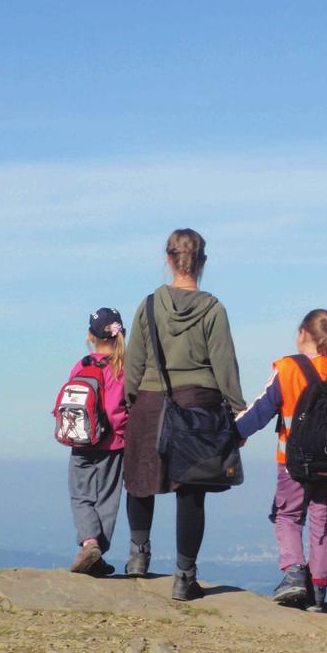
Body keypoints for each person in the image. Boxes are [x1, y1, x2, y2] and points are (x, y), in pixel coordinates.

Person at [122, 229, 246, 601]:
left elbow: (134, 362)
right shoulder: (213, 309)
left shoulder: (147, 306)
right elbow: (225, 364)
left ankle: (138, 557)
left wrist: (133, 402)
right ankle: (184, 576)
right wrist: (238, 412)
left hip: (150, 401)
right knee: (191, 493)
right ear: (202, 262)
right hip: (198, 404)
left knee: (140, 479)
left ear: (168, 259)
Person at [235, 309, 327, 612]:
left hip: (294, 462)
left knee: (287, 516)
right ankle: (318, 593)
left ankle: (293, 574)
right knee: (324, 521)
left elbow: (261, 410)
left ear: (302, 333)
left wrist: (234, 432)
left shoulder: (288, 368)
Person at [66, 308, 129, 577]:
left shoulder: (81, 365)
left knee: (80, 495)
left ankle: (89, 543)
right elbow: (123, 408)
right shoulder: (123, 368)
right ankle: (97, 550)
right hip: (113, 444)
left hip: (80, 440)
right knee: (107, 499)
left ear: (91, 336)